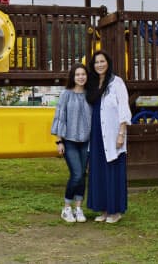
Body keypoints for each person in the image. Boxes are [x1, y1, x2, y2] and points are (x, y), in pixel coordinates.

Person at [85, 50, 132, 223]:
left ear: (108, 63)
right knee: (99, 171)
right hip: (96, 134)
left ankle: (115, 212)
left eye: (102, 61)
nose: (99, 65)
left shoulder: (116, 82)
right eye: (96, 62)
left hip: (113, 134)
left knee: (113, 171)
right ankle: (104, 210)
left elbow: (124, 108)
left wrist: (121, 134)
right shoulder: (92, 83)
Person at [51, 63, 92, 223]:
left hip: (86, 141)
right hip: (69, 141)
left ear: (87, 76)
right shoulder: (66, 94)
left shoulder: (91, 94)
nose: (81, 77)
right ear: (73, 77)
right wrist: (59, 141)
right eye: (78, 75)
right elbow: (60, 117)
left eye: (83, 74)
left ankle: (78, 208)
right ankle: (67, 208)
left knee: (82, 175)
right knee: (76, 174)